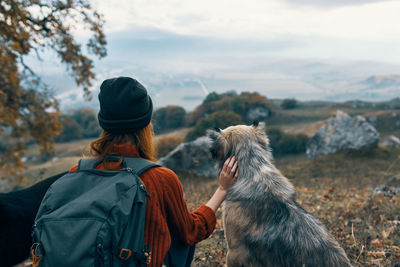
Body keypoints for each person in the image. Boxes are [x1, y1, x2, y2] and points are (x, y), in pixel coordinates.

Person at [69, 77, 238, 267]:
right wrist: (222, 189)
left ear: (104, 123)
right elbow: (191, 232)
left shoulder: (76, 173)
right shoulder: (159, 179)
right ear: (146, 125)